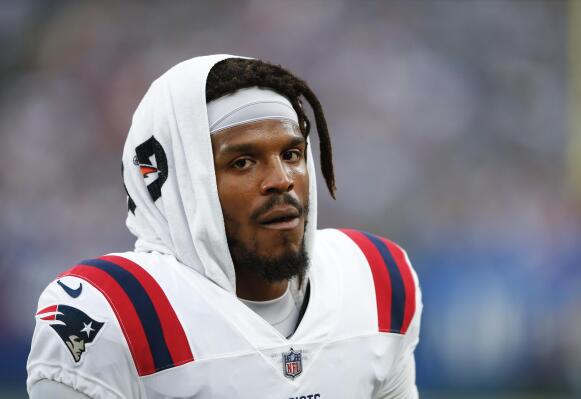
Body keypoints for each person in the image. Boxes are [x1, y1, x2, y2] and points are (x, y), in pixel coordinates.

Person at [26, 54, 423, 398]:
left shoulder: (375, 278)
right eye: (242, 162)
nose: (281, 179)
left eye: (291, 153)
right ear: (179, 186)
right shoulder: (110, 313)